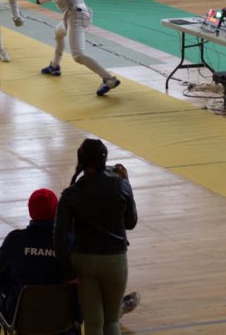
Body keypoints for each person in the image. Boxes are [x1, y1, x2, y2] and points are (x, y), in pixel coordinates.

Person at [0, 188, 141, 335]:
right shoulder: (71, 242)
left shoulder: (15, 240)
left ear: (31, 211)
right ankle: (109, 311)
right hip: (64, 320)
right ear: (56, 211)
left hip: (23, 319)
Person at [54, 139, 137, 335]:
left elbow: (59, 238)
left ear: (81, 160)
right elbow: (131, 222)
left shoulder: (71, 193)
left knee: (93, 323)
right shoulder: (121, 186)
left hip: (84, 261)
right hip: (115, 260)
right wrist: (127, 183)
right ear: (104, 160)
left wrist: (69, 272)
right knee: (112, 319)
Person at [36, 0, 121, 96]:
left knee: (78, 55)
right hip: (73, 15)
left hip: (75, 16)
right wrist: (40, 0)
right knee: (58, 32)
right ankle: (55, 66)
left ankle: (109, 79)